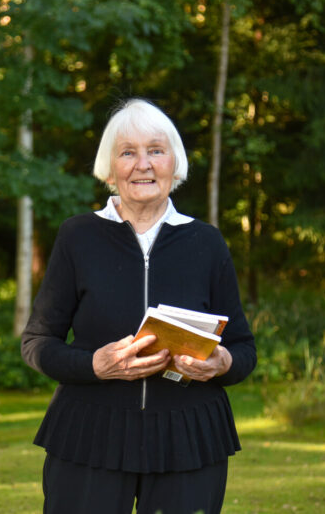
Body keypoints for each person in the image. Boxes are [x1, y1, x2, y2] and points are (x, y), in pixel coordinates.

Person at [21, 98, 257, 514]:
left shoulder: (207, 243)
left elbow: (244, 349)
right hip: (90, 431)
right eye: (128, 152)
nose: (142, 164)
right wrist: (94, 364)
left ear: (175, 164)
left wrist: (220, 362)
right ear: (110, 169)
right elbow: (37, 343)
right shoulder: (78, 237)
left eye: (155, 150)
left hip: (188, 437)